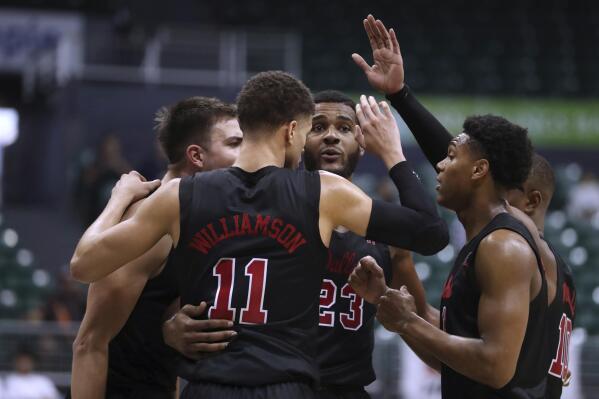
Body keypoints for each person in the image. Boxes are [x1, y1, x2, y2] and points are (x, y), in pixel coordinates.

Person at [69, 70, 448, 398]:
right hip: (284, 383)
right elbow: (430, 232)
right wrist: (396, 157)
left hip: (207, 386)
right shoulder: (323, 194)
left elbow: (84, 265)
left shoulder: (179, 195)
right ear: (292, 130)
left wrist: (118, 200)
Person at [162, 90, 430, 399]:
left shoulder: (387, 233)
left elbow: (418, 318)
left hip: (343, 390)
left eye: (343, 128)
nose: (331, 137)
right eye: (317, 127)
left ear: (362, 141)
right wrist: (167, 330)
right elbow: (171, 303)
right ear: (296, 135)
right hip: (270, 384)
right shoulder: (257, 212)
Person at [349, 15, 554, 398]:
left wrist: (408, 322)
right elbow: (454, 359)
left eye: (451, 158)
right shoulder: (497, 232)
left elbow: (494, 366)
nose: (439, 165)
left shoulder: (503, 247)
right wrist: (400, 95)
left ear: (479, 170)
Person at [69, 97, 241, 399]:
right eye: (235, 143)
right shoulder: (148, 220)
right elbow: (90, 344)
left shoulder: (194, 217)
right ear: (197, 156)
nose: (247, 154)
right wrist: (119, 199)